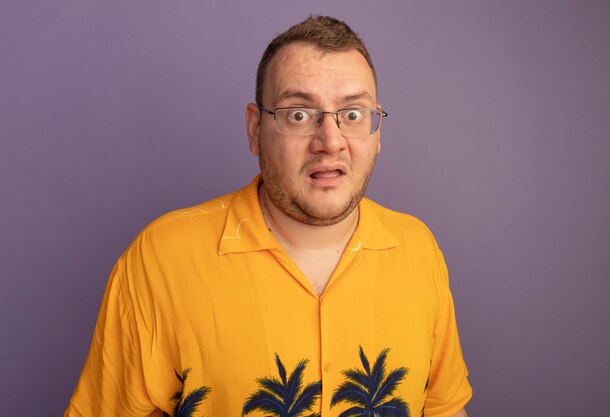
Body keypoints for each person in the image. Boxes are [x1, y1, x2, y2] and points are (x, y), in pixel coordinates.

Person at [65, 15, 472, 417]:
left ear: (376, 131)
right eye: (299, 114)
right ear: (255, 128)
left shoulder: (419, 251)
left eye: (352, 114)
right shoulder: (159, 260)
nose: (330, 142)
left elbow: (444, 409)